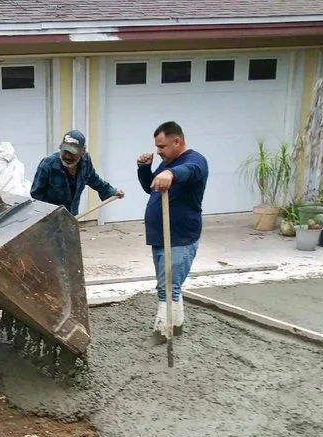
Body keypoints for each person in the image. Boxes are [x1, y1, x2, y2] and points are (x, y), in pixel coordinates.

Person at [137, 121, 208, 338]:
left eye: (162, 146)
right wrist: (144, 169)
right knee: (170, 285)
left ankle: (162, 333)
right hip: (161, 236)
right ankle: (176, 326)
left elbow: (189, 171)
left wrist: (171, 174)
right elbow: (152, 188)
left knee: (167, 287)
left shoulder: (195, 161)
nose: (158, 151)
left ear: (177, 141)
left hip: (179, 237)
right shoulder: (168, 162)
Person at [31, 129, 124, 215]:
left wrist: (111, 191)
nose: (67, 156)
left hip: (72, 217)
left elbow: (94, 180)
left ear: (83, 152)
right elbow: (36, 194)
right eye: (65, 151)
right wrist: (54, 213)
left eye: (72, 153)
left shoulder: (85, 162)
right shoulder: (47, 165)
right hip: (50, 218)